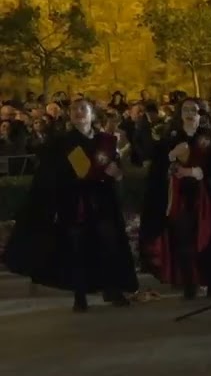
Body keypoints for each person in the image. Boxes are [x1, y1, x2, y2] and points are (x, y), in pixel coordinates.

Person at [4, 98, 137, 311]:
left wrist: (117, 174)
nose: (78, 112)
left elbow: (117, 170)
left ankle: (111, 288)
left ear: (92, 114)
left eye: (83, 109)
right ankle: (80, 295)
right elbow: (49, 174)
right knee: (78, 247)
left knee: (109, 243)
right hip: (74, 201)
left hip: (102, 200)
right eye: (74, 109)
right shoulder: (62, 143)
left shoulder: (105, 141)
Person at [139, 98, 211, 299]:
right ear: (180, 115)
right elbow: (158, 169)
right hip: (180, 198)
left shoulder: (210, 139)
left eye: (194, 110)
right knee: (184, 239)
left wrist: (198, 172)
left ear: (200, 115)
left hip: (206, 198)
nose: (189, 113)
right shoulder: (169, 139)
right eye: (185, 110)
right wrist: (171, 157)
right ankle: (189, 282)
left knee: (210, 239)